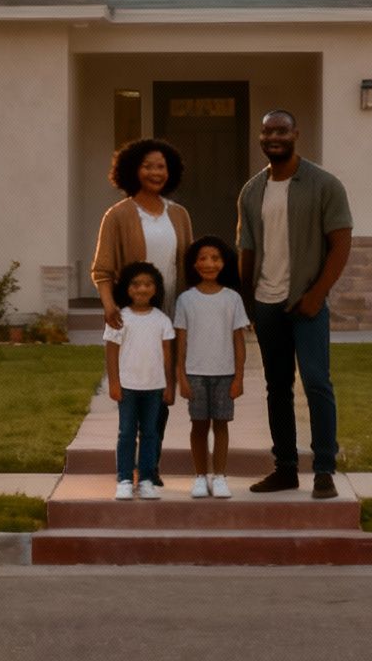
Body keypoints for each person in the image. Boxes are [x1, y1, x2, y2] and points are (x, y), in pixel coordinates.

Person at [236, 109, 351, 499]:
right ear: (261, 136)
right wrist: (247, 304)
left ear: (295, 133)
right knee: (277, 387)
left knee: (317, 383)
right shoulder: (253, 190)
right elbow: (246, 251)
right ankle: (284, 468)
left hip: (307, 303)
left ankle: (323, 470)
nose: (274, 137)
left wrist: (316, 295)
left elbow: (340, 244)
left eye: (281, 130)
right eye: (267, 130)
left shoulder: (323, 184)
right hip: (267, 304)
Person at [90, 138, 193, 486]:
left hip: (166, 317)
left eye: (161, 166)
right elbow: (102, 270)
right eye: (148, 165)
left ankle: (150, 467)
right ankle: (129, 467)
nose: (155, 172)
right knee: (132, 394)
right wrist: (109, 305)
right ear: (133, 169)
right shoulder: (118, 215)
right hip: (132, 318)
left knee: (161, 393)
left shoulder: (178, 214)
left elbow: (189, 269)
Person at [173, 236, 250, 498]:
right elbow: (180, 342)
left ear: (224, 263)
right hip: (195, 374)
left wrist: (238, 377)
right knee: (198, 425)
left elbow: (239, 342)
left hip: (224, 374)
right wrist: (180, 377)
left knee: (221, 424)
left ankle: (219, 476)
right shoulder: (185, 300)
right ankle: (199, 476)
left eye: (215, 258)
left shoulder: (233, 299)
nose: (209, 263)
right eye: (203, 258)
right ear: (194, 264)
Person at [104, 261, 176, 500]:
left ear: (156, 289)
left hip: (154, 388)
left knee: (150, 434)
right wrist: (114, 383)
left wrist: (169, 384)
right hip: (127, 387)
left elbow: (168, 355)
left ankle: (145, 479)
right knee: (126, 433)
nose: (142, 289)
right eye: (136, 284)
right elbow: (111, 351)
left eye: (148, 284)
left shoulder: (162, 320)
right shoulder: (119, 318)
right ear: (126, 288)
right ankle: (124, 478)